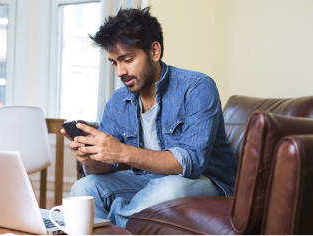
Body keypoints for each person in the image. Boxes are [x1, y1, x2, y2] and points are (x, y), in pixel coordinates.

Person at [60, 7, 238, 229]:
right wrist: (91, 159)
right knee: (84, 187)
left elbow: (190, 163)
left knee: (172, 188)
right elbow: (106, 166)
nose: (119, 72)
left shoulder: (197, 87)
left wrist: (122, 151)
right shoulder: (118, 101)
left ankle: (113, 227)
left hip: (207, 182)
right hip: (147, 181)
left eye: (127, 59)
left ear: (155, 51)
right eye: (114, 62)